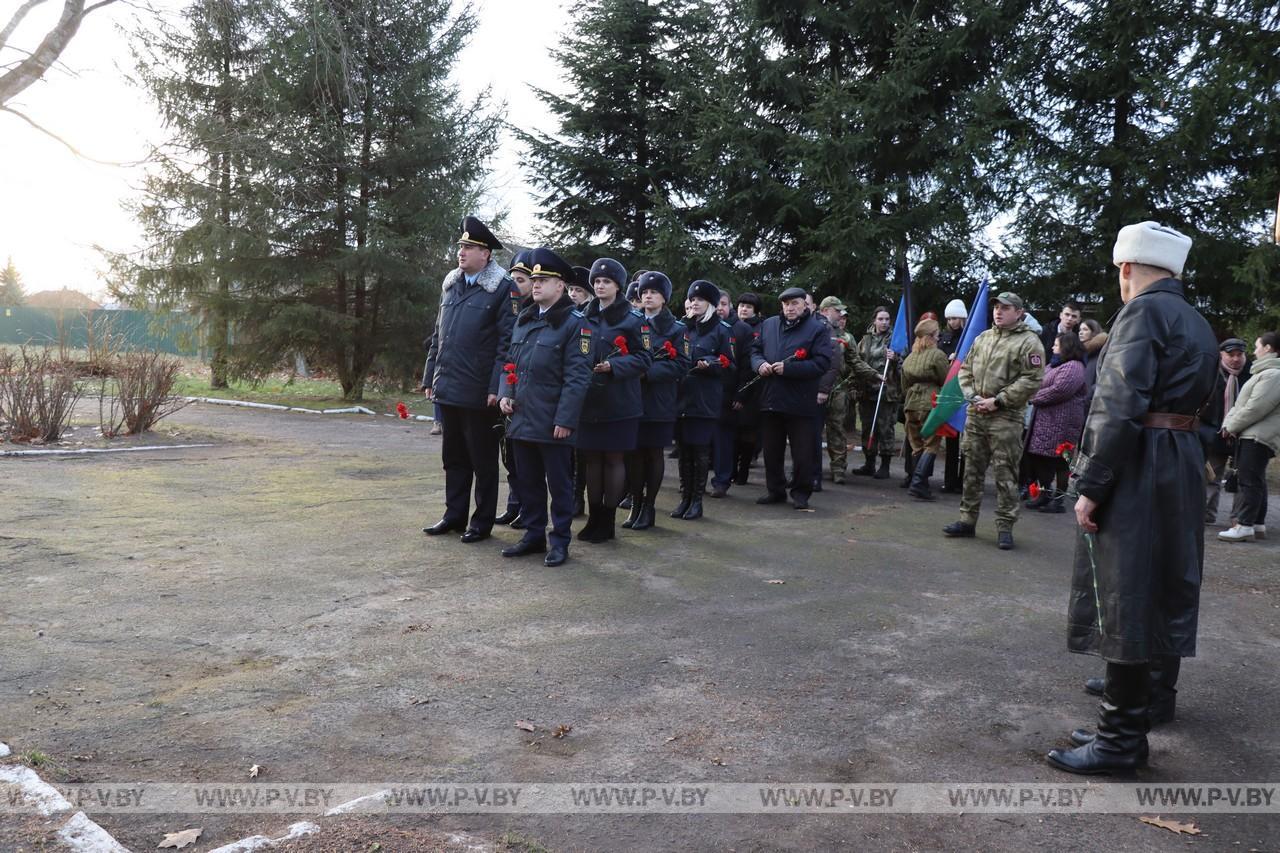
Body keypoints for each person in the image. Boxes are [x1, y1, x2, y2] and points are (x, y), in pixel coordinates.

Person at [1046, 221, 1218, 776]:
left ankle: (1119, 740)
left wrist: (1092, 484)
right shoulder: (1196, 320)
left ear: (1126, 268)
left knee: (1127, 588)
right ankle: (1141, 712)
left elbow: (1118, 402)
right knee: (1164, 580)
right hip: (1181, 460)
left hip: (1142, 460)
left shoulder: (1142, 312)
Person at [422, 216, 521, 543]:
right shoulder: (451, 284)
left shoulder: (502, 288)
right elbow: (439, 335)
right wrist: (429, 376)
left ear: (486, 254)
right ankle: (453, 516)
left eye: (469, 247)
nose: (461, 252)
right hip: (448, 386)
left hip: (481, 393)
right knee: (453, 458)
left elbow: (507, 345)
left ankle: (481, 523)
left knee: (483, 461)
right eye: (461, 246)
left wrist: (497, 387)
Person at [497, 248, 591, 567]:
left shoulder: (576, 324)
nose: (535, 285)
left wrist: (565, 419)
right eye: (534, 279)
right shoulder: (523, 320)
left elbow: (577, 378)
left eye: (544, 279)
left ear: (560, 286)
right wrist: (505, 393)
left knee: (560, 484)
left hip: (553, 422)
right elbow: (510, 363)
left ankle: (560, 541)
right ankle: (533, 535)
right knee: (528, 481)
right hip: (522, 417)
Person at [942, 292, 1044, 550]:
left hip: (1005, 417)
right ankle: (967, 520)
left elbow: (1031, 380)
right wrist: (972, 396)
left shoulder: (1029, 342)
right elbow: (965, 370)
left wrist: (998, 401)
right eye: (997, 307)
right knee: (972, 470)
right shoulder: (983, 337)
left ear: (1019, 312)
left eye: (1005, 308)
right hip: (977, 413)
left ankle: (1005, 526)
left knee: (1004, 473)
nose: (998, 312)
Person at [576, 258, 653, 542]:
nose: (600, 286)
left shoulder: (634, 319)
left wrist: (614, 367)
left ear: (618, 286)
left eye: (606, 282)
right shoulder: (583, 314)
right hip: (589, 401)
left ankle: (607, 521)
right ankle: (594, 517)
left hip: (619, 401)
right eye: (596, 281)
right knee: (591, 461)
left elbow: (645, 358)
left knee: (613, 460)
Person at [750, 286, 833, 509]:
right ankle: (775, 490)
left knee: (802, 452)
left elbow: (822, 363)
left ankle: (800, 493)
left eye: (795, 303)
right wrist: (760, 365)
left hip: (800, 401)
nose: (790, 308)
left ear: (805, 305)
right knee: (771, 450)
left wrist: (789, 369)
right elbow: (755, 351)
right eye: (786, 304)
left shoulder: (817, 330)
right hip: (771, 398)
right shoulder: (768, 325)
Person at [622, 271, 689, 531]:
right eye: (644, 292)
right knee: (634, 455)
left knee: (652, 453)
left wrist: (646, 372)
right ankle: (636, 503)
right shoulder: (631, 323)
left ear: (664, 298)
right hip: (631, 398)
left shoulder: (677, 328)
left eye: (654, 292)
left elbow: (682, 364)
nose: (648, 296)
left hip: (659, 399)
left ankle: (649, 507)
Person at [673, 280, 734, 520]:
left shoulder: (721, 330)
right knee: (683, 450)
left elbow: (730, 364)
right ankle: (684, 497)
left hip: (704, 397)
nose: (694, 303)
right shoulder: (682, 328)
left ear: (709, 304)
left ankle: (697, 500)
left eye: (699, 300)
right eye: (692, 299)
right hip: (681, 397)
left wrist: (712, 363)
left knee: (699, 450)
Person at [1219, 331, 1279, 542]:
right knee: (1256, 480)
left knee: (1249, 482)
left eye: (1257, 346)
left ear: (1268, 348)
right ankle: (1256, 524)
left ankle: (1244, 525)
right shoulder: (1267, 373)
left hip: (1257, 435)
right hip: (1257, 434)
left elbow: (1254, 407)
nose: (1254, 351)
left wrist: (1230, 425)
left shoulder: (1272, 375)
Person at [1023, 332, 1088, 514]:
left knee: (1059, 461)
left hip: (1062, 424)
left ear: (1066, 347)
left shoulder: (1074, 367)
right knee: (1041, 460)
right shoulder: (1054, 364)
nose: (1052, 347)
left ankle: (1058, 500)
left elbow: (1060, 390)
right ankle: (1044, 494)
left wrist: (1032, 397)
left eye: (1057, 345)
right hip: (1046, 423)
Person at [819, 297, 880, 484]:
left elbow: (855, 361)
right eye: (837, 311)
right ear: (825, 311)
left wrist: (873, 374)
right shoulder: (814, 330)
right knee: (810, 430)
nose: (840, 315)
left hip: (838, 389)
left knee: (836, 429)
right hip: (814, 387)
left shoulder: (846, 337)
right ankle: (809, 470)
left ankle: (838, 470)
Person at [496, 250, 536, 530]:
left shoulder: (535, 313)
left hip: (530, 396)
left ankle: (527, 508)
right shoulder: (505, 307)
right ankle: (514, 504)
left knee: (527, 461)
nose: (515, 285)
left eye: (521, 280)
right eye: (513, 278)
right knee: (508, 455)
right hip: (507, 391)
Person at [1201, 337, 1251, 528]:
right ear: (1221, 355)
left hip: (1243, 432)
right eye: (1231, 355)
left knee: (1242, 478)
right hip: (1216, 431)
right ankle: (1206, 514)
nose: (1236, 359)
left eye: (1239, 355)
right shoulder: (1212, 373)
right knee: (1211, 476)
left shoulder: (1252, 373)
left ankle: (1238, 518)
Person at [709, 291, 755, 497]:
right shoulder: (701, 326)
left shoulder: (743, 330)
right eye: (715, 304)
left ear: (730, 306)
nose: (719, 308)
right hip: (703, 393)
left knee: (723, 441)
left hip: (727, 394)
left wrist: (741, 394)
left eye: (724, 304)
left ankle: (722, 480)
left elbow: (747, 366)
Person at [901, 318, 950, 500]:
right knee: (931, 443)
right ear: (932, 336)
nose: (939, 336)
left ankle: (920, 483)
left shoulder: (909, 358)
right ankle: (918, 483)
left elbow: (904, 385)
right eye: (937, 333)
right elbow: (945, 380)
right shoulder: (937, 355)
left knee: (916, 445)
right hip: (930, 402)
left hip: (911, 404)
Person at [852, 306, 901, 479]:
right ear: (874, 320)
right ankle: (869, 463)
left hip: (887, 391)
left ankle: (885, 465)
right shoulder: (865, 340)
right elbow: (856, 361)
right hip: (867, 391)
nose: (884, 322)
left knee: (885, 428)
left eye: (887, 319)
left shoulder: (895, 339)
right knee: (867, 427)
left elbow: (905, 365)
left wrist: (896, 358)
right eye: (881, 319)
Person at [728, 293, 765, 485]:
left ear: (756, 311)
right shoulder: (730, 326)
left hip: (752, 386)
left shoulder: (761, 328)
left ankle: (743, 470)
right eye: (742, 305)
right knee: (733, 433)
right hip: (732, 383)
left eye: (749, 307)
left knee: (748, 433)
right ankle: (732, 469)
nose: (744, 309)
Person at [937, 299, 967, 493]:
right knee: (951, 439)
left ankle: (962, 481)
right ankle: (949, 480)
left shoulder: (970, 335)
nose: (952, 322)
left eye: (955, 318)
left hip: (965, 391)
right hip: (949, 389)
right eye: (949, 318)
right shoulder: (944, 337)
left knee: (965, 443)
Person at [1078, 318, 1108, 406]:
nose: (1080, 332)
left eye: (1085, 329)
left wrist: (1091, 393)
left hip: (1094, 401)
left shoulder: (1102, 350)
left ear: (1094, 331)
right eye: (1080, 330)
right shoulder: (1081, 351)